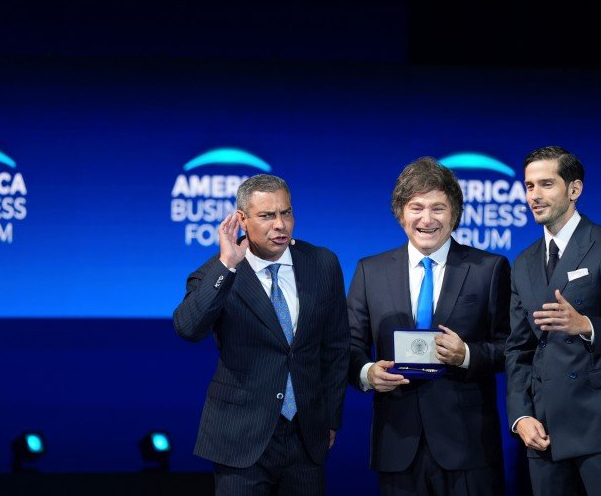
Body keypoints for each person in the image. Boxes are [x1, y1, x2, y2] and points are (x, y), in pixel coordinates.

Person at [173, 174, 349, 495]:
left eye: (286, 213)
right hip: (241, 436)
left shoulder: (322, 263)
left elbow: (336, 348)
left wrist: (330, 418)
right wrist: (227, 264)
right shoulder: (217, 273)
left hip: (306, 436)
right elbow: (188, 328)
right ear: (242, 220)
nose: (280, 225)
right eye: (267, 215)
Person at [348, 157, 510, 496]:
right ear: (400, 213)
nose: (427, 219)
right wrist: (367, 373)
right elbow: (348, 346)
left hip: (467, 446)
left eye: (438, 208)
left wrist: (467, 354)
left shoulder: (489, 269)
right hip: (396, 443)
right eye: (416, 208)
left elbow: (511, 347)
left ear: (455, 214)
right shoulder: (369, 271)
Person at [505, 146, 601, 495]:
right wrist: (521, 416)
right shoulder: (523, 262)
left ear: (574, 189)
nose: (534, 196)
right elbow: (518, 350)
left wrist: (585, 325)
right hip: (545, 431)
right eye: (529, 186)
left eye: (546, 184)